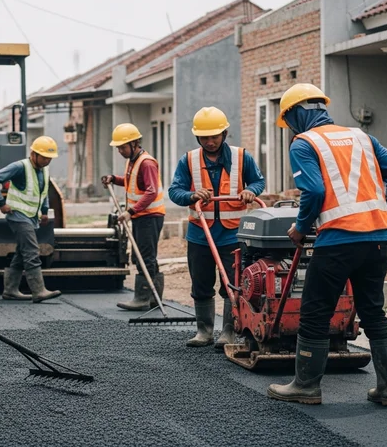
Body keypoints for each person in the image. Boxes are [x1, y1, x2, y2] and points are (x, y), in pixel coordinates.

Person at [267, 83, 387, 406]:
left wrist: (301, 228)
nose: (289, 128)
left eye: (287, 122)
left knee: (315, 312)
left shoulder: (304, 143)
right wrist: (383, 215)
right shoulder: (362, 137)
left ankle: (306, 386)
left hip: (339, 242)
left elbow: (314, 193)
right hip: (378, 240)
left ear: (296, 114)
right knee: (373, 311)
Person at [168, 107, 265, 348]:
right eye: (204, 137)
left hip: (232, 235)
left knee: (232, 284)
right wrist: (191, 195)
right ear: (197, 137)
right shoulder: (188, 160)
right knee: (200, 282)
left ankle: (229, 331)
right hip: (200, 233)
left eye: (214, 136)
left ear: (224, 133)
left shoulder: (242, 157)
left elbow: (258, 181)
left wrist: (250, 191)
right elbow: (174, 191)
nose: (210, 142)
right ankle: (204, 331)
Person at [0, 136, 62, 303]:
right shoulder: (20, 167)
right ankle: (39, 290)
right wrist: (0, 203)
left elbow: (43, 192)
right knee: (31, 250)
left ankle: (10, 290)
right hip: (17, 215)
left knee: (22, 253)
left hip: (31, 217)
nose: (47, 161)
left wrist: (44, 212)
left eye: (50, 158)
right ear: (33, 154)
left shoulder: (44, 169)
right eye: (44, 157)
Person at [101, 123, 166, 310]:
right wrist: (114, 178)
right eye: (118, 147)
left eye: (123, 147)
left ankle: (143, 298)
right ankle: (154, 298)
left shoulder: (146, 163)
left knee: (144, 257)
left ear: (135, 143)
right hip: (142, 216)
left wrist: (130, 212)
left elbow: (151, 191)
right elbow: (131, 182)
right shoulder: (133, 161)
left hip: (149, 217)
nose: (120, 151)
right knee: (146, 257)